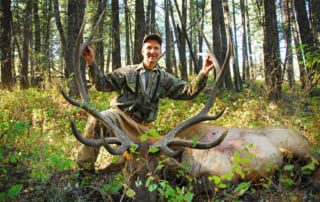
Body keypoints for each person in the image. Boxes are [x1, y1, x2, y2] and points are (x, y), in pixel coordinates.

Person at [78, 33, 215, 172]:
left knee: (165, 163)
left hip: (143, 130)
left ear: (160, 52)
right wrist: (91, 63)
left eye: (156, 48)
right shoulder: (128, 72)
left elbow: (187, 91)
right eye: (149, 47)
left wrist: (203, 72)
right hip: (120, 119)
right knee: (99, 119)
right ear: (142, 51)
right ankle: (85, 171)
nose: (152, 51)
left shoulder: (164, 78)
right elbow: (101, 84)